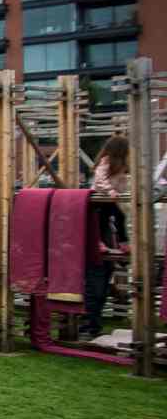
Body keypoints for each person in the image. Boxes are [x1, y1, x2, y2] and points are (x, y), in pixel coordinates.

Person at [86, 134, 131, 338]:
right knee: (101, 221)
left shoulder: (122, 166)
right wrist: (111, 191)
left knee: (119, 217)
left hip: (111, 199)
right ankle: (99, 241)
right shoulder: (106, 162)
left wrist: (121, 194)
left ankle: (122, 242)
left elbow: (124, 182)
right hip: (98, 198)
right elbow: (99, 179)